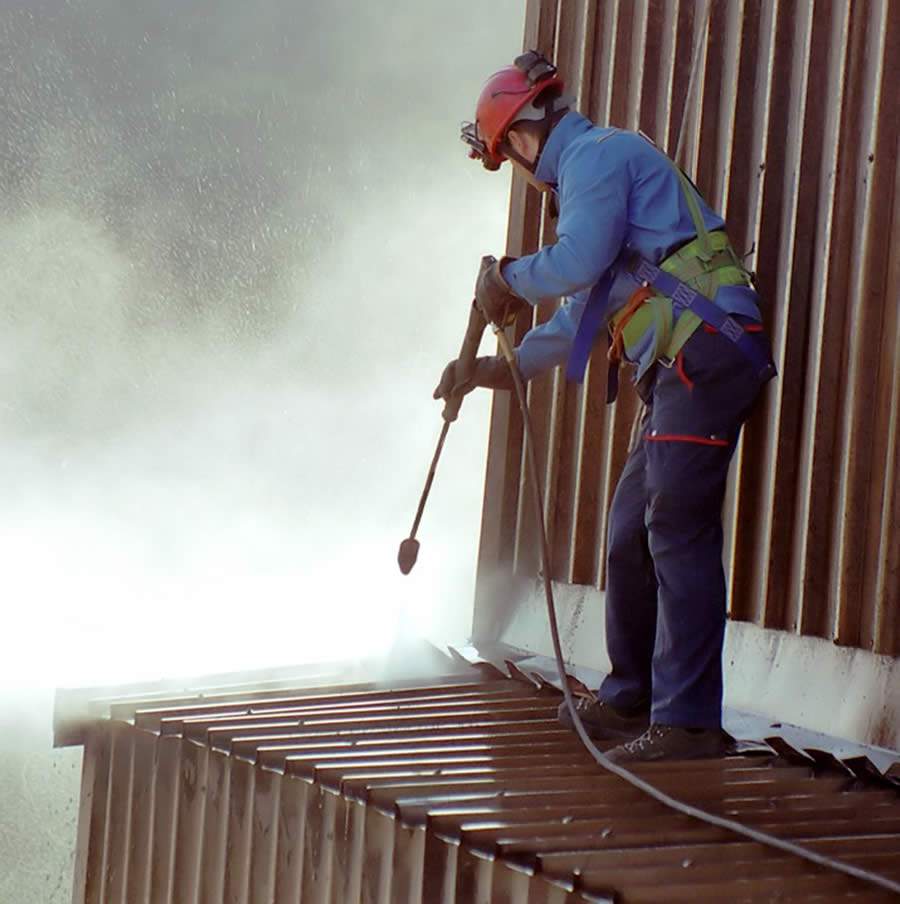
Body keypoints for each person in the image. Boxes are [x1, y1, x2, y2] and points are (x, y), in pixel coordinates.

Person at [434, 52, 775, 763]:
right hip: (681, 368)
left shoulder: (596, 156)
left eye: (510, 153)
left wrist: (508, 278)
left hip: (704, 354)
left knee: (675, 530)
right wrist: (500, 368)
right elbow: (583, 314)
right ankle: (630, 699)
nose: (522, 169)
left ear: (524, 136)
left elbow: (578, 260)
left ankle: (687, 724)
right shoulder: (603, 176)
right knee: (630, 529)